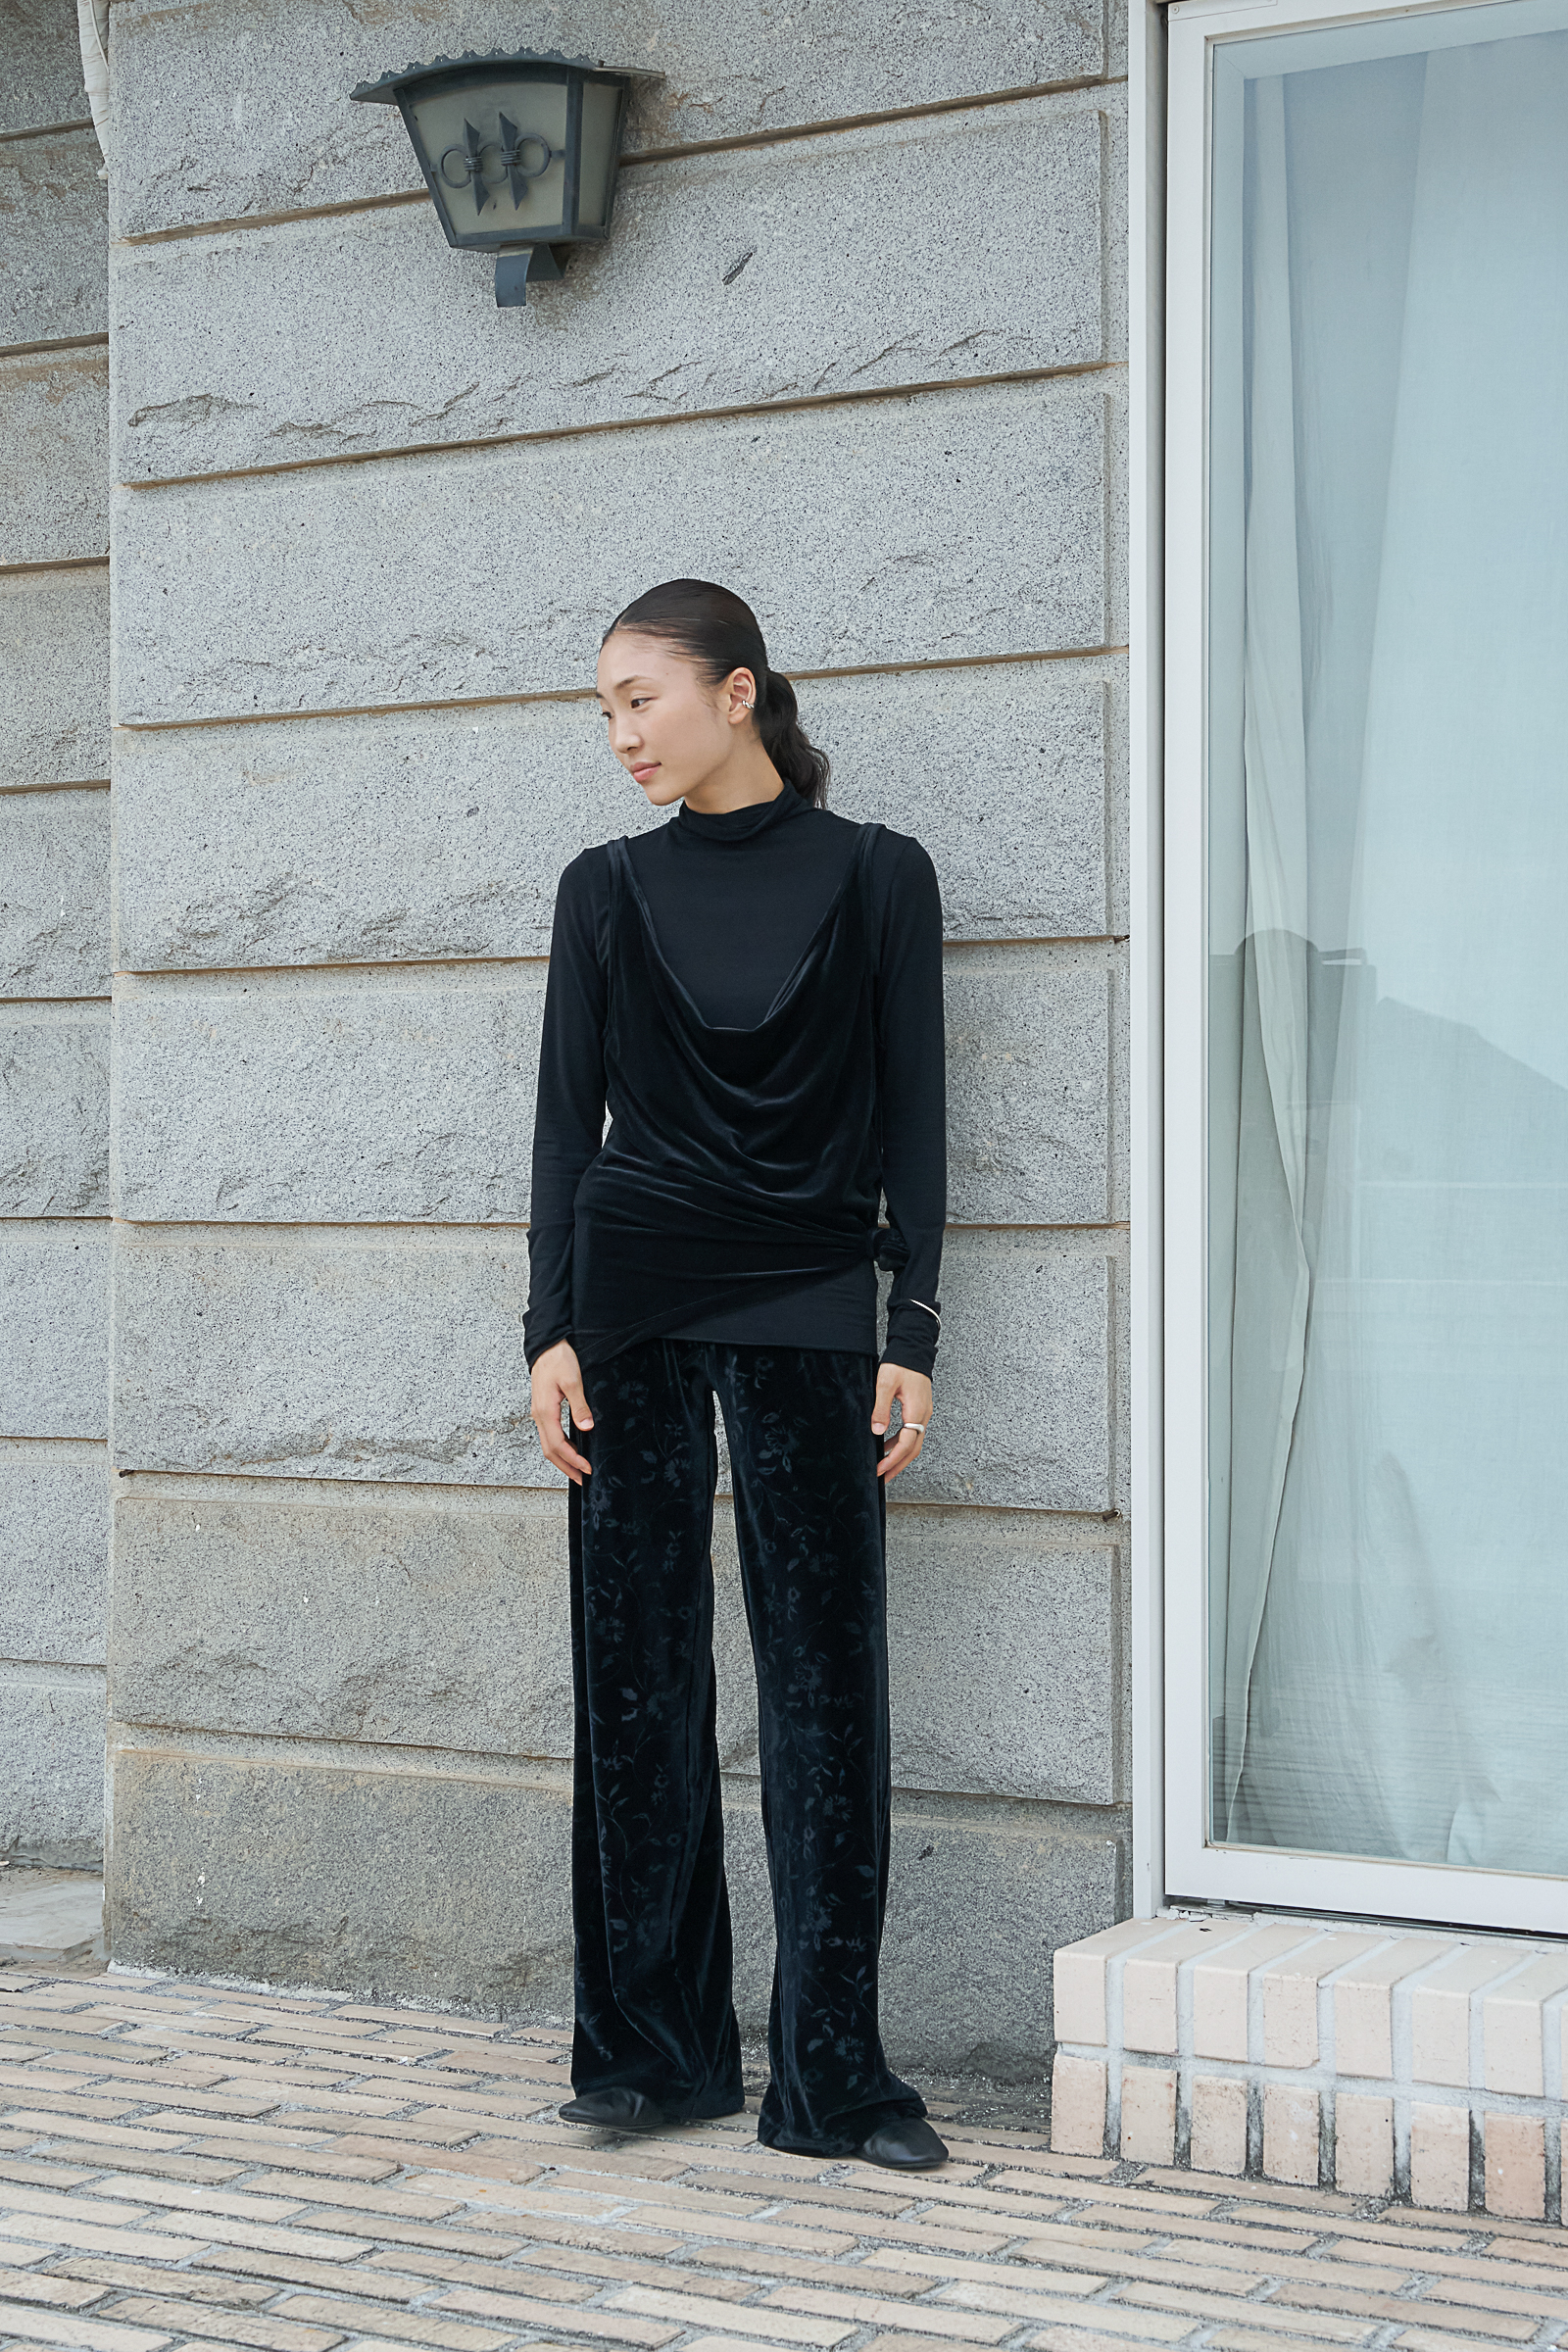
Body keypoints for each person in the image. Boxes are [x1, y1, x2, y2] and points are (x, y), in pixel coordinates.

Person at [524, 578, 948, 2172]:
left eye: (641, 698)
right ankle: (655, 2057)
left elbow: (918, 1116)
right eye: (606, 710)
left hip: (812, 1295)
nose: (621, 734)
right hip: (629, 1304)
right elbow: (566, 1126)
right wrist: (547, 1329)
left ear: (739, 691)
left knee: (825, 1690)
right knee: (634, 1683)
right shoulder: (601, 889)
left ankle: (832, 2080)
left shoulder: (882, 876)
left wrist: (912, 1329)